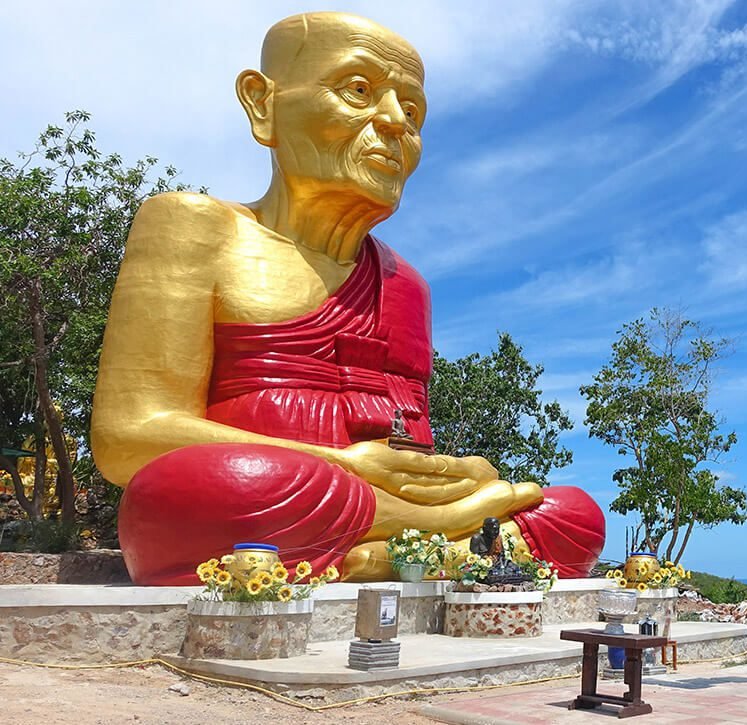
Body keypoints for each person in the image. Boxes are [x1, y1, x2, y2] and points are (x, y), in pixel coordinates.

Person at [90, 12, 604, 585]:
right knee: (200, 490)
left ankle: (394, 552)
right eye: (358, 91)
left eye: (412, 112)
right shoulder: (195, 226)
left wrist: (457, 474)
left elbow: (405, 440)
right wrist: (342, 465)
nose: (393, 123)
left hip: (357, 510)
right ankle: (442, 548)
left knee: (572, 515)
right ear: (263, 104)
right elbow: (128, 435)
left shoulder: (406, 282)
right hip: (275, 491)